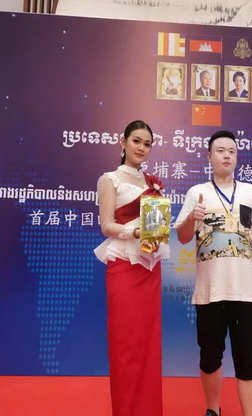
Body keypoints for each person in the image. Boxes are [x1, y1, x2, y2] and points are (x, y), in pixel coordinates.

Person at [175, 130, 252, 416]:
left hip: (246, 291)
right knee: (209, 358)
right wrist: (192, 219)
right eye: (220, 151)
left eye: (231, 151)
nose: (226, 156)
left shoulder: (250, 192)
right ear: (209, 156)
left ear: (236, 156)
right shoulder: (197, 193)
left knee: (249, 360)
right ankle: (213, 410)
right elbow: (182, 237)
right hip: (210, 292)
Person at [94, 120, 169, 416]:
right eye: (136, 141)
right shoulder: (109, 179)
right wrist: (133, 232)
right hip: (123, 267)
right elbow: (106, 225)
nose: (141, 148)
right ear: (122, 141)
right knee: (125, 345)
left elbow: (157, 223)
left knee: (148, 345)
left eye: (147, 144)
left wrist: (157, 232)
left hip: (149, 268)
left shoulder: (153, 183)